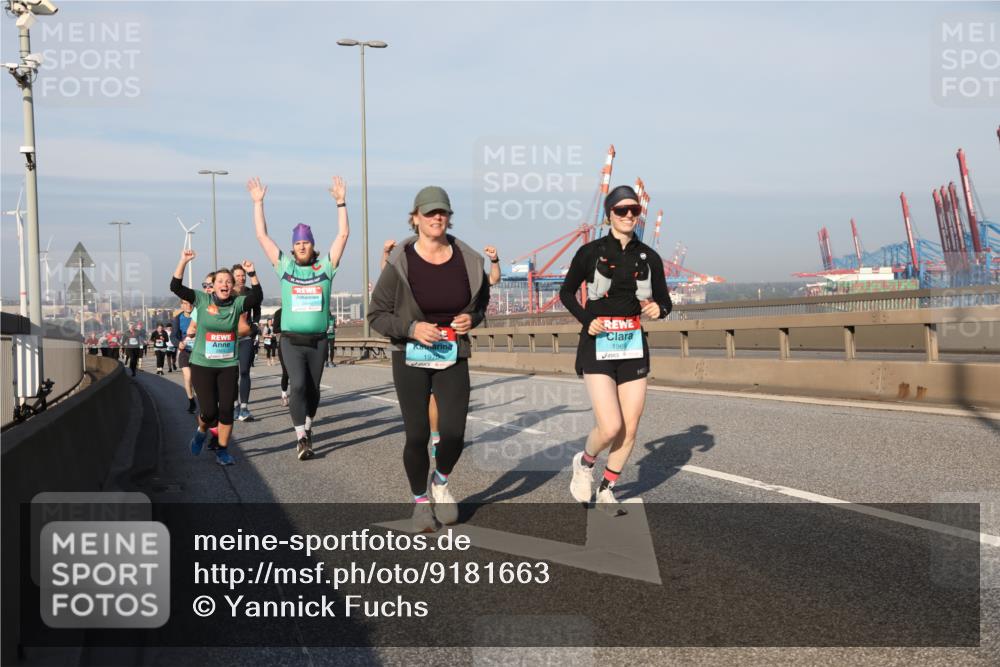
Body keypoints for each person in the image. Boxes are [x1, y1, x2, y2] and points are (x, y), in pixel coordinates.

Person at [369, 186, 490, 532]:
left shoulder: (469, 260)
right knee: (418, 434)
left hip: (452, 353)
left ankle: (440, 480)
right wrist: (411, 327)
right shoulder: (400, 262)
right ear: (416, 218)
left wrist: (473, 319)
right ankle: (421, 503)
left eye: (443, 213)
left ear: (449, 217)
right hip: (410, 355)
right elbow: (376, 314)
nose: (437, 218)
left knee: (453, 434)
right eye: (430, 213)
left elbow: (481, 303)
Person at [559, 185, 673, 512]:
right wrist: (586, 319)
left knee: (631, 425)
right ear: (609, 213)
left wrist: (659, 310)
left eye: (633, 211)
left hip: (633, 344)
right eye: (621, 210)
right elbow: (567, 293)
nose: (627, 215)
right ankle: (584, 462)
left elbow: (663, 300)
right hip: (597, 343)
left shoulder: (649, 257)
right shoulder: (590, 252)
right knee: (610, 426)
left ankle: (608, 487)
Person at [248, 175, 349, 461]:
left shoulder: (325, 267)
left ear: (312, 245)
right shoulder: (285, 266)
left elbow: (342, 236)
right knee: (299, 386)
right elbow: (262, 237)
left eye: (306, 243)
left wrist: (341, 203)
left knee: (314, 391)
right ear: (293, 248)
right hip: (291, 340)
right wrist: (258, 203)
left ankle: (308, 426)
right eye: (298, 244)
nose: (302, 246)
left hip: (318, 341)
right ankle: (301, 437)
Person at [380, 239, 504, 459]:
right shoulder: (409, 270)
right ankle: (433, 440)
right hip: (414, 349)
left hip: (447, 348)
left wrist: (494, 260)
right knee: (419, 423)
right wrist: (386, 254)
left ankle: (438, 438)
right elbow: (387, 279)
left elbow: (492, 280)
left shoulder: (461, 276)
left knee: (439, 400)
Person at [170, 251, 262, 466]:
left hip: (228, 365)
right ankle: (202, 431)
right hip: (202, 364)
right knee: (209, 412)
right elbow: (175, 287)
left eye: (228, 281)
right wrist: (183, 260)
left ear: (232, 286)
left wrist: (253, 274)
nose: (225, 284)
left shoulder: (237, 304)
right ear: (212, 285)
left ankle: (222, 449)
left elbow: (257, 297)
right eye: (220, 281)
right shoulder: (201, 300)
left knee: (227, 410)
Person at [231, 263, 263, 422]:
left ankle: (244, 407)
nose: (241, 278)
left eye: (243, 275)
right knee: (232, 374)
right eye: (238, 275)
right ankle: (235, 405)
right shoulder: (227, 294)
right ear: (232, 277)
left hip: (246, 337)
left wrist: (255, 325)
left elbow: (257, 309)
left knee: (244, 371)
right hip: (229, 340)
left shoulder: (250, 293)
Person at [172, 299, 198, 413]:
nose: (188, 306)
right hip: (185, 352)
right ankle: (191, 401)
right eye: (185, 303)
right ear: (181, 305)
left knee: (199, 380)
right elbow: (173, 336)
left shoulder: (199, 316)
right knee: (188, 377)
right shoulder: (177, 319)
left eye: (190, 303)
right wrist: (179, 343)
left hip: (198, 352)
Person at [272, 308, 290, 406]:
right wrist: (287, 328)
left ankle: (299, 396)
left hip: (299, 343)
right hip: (285, 344)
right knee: (286, 371)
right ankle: (284, 394)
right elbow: (275, 329)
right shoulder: (279, 312)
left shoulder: (298, 310)